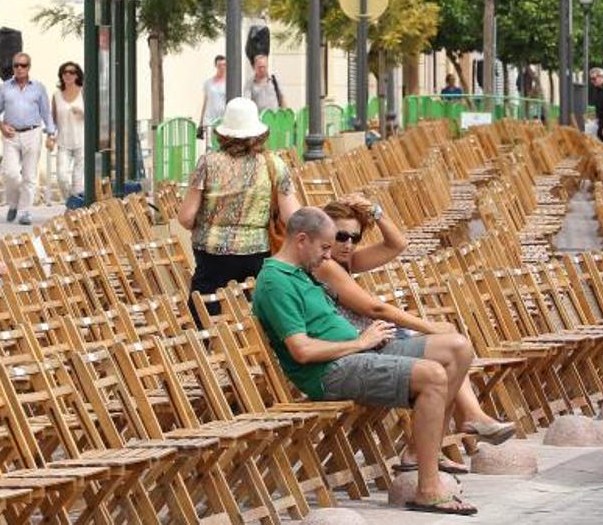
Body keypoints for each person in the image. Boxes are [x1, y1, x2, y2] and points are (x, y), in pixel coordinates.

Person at [252, 207, 477, 516]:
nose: (329, 256)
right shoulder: (275, 281)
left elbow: (395, 246)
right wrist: (359, 342)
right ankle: (428, 488)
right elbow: (302, 351)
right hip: (329, 372)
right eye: (325, 247)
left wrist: (364, 343)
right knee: (433, 375)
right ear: (301, 240)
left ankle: (421, 450)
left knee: (458, 348)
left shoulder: (303, 270)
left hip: (359, 353)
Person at [317, 197, 516, 459]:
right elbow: (375, 309)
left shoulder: (344, 259)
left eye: (355, 237)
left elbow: (397, 244)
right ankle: (433, 444)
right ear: (324, 234)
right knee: (449, 345)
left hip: (379, 337)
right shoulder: (325, 265)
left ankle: (465, 419)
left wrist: (376, 212)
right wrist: (430, 327)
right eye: (341, 236)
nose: (349, 244)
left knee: (449, 337)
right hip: (365, 347)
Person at [177, 97, 301, 326]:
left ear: (223, 133)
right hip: (256, 251)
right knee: (251, 310)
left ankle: (208, 352)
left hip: (211, 252)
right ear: (259, 133)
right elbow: (292, 217)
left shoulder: (208, 162)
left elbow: (185, 218)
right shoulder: (274, 164)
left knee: (206, 309)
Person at [0, 52, 56, 225]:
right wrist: (1, 125)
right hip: (10, 135)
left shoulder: (38, 88)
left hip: (33, 133)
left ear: (29, 67)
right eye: (16, 65)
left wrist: (51, 134)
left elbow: (46, 113)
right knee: (10, 173)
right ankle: (14, 203)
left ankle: (25, 211)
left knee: (29, 175)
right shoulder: (4, 88)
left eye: (23, 65)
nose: (19, 68)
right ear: (13, 67)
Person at [51, 61, 85, 207]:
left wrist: (83, 113)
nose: (68, 75)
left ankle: (74, 208)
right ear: (61, 75)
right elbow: (52, 120)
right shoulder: (57, 95)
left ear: (77, 75)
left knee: (78, 180)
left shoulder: (84, 92)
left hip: (82, 142)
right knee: (62, 177)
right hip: (63, 143)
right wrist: (50, 137)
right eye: (65, 72)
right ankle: (73, 202)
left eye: (72, 72)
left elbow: (95, 115)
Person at [199, 55, 227, 140]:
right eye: (219, 66)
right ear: (215, 66)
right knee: (209, 145)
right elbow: (205, 101)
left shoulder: (229, 82)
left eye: (224, 65)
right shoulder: (208, 83)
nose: (222, 68)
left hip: (222, 118)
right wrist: (201, 121)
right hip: (209, 118)